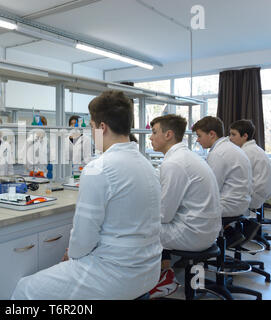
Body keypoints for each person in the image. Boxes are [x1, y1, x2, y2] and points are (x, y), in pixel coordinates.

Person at [11, 90, 162, 300]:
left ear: (102, 127)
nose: (91, 133)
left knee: (25, 289)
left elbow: (83, 238)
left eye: (91, 127)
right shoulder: (148, 166)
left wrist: (70, 256)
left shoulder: (99, 167)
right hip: (149, 270)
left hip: (115, 275)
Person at [148, 114, 221, 299]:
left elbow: (164, 215)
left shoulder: (174, 163)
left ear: (168, 135)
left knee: (139, 229)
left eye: (154, 132)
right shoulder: (185, 156)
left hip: (193, 234)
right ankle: (164, 274)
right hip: (206, 230)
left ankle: (158, 280)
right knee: (148, 225)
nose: (150, 137)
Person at [192, 116, 253, 247]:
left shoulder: (218, 153)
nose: (197, 140)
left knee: (188, 209)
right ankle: (229, 232)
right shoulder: (230, 148)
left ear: (212, 134)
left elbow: (211, 188)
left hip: (229, 205)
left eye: (199, 135)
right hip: (240, 202)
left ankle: (193, 252)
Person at [229, 119, 271, 240]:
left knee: (220, 201)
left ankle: (234, 235)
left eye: (233, 134)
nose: (230, 138)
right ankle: (243, 227)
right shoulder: (254, 149)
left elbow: (236, 178)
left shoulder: (245, 152)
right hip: (261, 193)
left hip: (255, 196)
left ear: (245, 136)